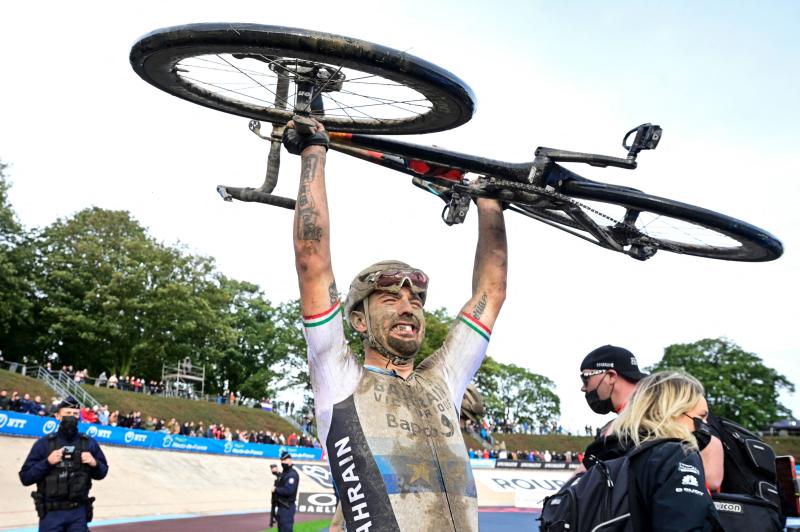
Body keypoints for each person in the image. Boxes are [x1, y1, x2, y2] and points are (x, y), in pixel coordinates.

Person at [286, 117, 507, 531]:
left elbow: (490, 294)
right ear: (358, 319)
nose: (407, 307)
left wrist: (489, 206)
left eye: (416, 300)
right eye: (390, 299)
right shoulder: (340, 379)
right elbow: (312, 262)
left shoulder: (442, 381)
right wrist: (314, 152)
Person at [579, 345, 724, 490]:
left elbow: (712, 476)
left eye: (586, 378)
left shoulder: (668, 402)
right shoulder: (616, 423)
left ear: (611, 376)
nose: (583, 387)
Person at [606, 370, 723, 530]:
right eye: (701, 417)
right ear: (673, 412)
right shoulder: (678, 454)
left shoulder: (614, 450)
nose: (705, 425)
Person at [18, 396, 109, 531]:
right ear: (57, 416)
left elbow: (102, 473)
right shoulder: (44, 444)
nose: (71, 417)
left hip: (78, 513)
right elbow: (25, 477)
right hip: (51, 514)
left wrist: (94, 463)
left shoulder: (89, 443)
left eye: (75, 414)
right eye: (67, 413)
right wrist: (47, 462)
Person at [272, 452, 299, 532]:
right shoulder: (285, 473)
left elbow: (289, 490)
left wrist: (276, 489)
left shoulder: (292, 474)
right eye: (282, 460)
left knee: (286, 529)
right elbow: (281, 479)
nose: (282, 462)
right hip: (281, 506)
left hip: (287, 507)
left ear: (290, 460)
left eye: (285, 460)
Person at [268, 463, 281, 528]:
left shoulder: (280, 475)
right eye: (271, 469)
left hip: (278, 496)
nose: (272, 470)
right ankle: (271, 522)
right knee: (272, 509)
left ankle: (274, 521)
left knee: (278, 509)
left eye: (273, 469)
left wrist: (275, 487)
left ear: (276, 468)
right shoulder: (277, 475)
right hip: (274, 496)